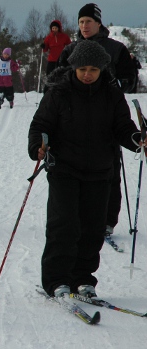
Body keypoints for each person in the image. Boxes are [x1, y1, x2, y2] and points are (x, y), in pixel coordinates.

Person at [28, 40, 141, 299]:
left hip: (100, 171)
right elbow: (40, 124)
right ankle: (57, 280)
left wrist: (137, 140)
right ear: (74, 68)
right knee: (63, 226)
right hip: (64, 169)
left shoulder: (111, 93)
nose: (87, 74)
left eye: (93, 69)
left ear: (102, 69)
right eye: (82, 69)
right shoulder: (58, 91)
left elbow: (123, 127)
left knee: (92, 228)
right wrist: (38, 145)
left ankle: (83, 279)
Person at [57, 3, 138, 238]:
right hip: (75, 119)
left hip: (108, 117)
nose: (84, 26)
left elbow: (129, 78)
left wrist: (116, 86)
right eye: (81, 22)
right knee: (74, 170)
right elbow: (58, 78)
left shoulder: (116, 48)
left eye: (88, 22)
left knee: (110, 171)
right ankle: (80, 217)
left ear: (98, 23)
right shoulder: (70, 49)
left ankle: (107, 221)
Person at [41, 20, 71, 94]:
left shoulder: (64, 36)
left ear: (59, 28)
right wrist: (43, 46)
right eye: (53, 28)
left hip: (62, 59)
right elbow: (45, 49)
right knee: (49, 76)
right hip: (51, 60)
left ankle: (62, 91)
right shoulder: (48, 38)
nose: (54, 30)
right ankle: (47, 92)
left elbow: (70, 45)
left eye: (55, 28)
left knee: (62, 75)